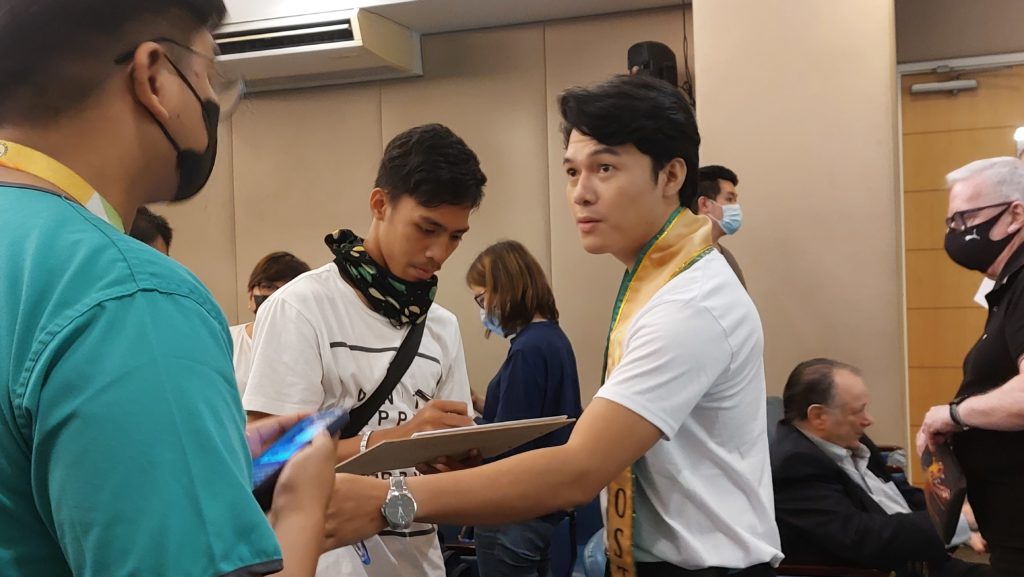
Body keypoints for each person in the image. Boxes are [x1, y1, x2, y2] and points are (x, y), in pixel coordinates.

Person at [324, 75, 782, 577]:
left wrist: (390, 499)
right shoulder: (660, 285)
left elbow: (577, 471)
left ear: (671, 176)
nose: (580, 194)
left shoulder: (691, 302)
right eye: (571, 172)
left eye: (604, 168)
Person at [0, 0, 338, 575]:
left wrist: (202, 462)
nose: (211, 101)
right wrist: (304, 509)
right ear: (155, 77)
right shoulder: (129, 298)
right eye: (207, 73)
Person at [242, 123, 487, 577]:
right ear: (380, 204)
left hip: (419, 561)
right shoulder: (300, 308)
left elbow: (444, 474)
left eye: (455, 236)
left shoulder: (442, 327)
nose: (439, 252)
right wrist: (403, 438)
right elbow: (268, 465)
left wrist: (455, 456)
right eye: (427, 228)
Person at [773, 359, 988, 577]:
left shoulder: (849, 440)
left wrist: (956, 518)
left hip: (920, 559)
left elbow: (900, 495)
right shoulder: (794, 466)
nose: (869, 420)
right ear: (818, 416)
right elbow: (863, 537)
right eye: (858, 411)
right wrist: (958, 522)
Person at [918, 156, 1024, 576]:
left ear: (1015, 213)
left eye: (967, 218)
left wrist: (955, 414)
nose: (957, 234)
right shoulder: (1008, 286)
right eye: (951, 223)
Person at [466, 240, 584, 577]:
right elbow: (535, 417)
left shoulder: (527, 349)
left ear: (505, 289)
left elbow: (509, 441)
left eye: (481, 297)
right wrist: (481, 405)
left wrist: (464, 431)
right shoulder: (552, 339)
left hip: (512, 513)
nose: (482, 308)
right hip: (540, 508)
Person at [230, 251, 311, 396]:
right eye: (268, 287)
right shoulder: (225, 341)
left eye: (290, 289)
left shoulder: (313, 349)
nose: (278, 297)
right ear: (250, 296)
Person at [693, 165, 745, 287]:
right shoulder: (685, 257)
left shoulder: (727, 257)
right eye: (729, 199)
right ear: (705, 204)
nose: (735, 207)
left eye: (735, 200)